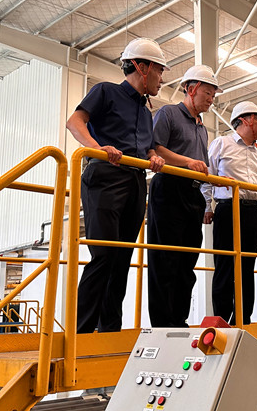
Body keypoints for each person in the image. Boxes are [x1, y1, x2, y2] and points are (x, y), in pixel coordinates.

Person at [66, 38, 167, 333]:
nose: (162, 79)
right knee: (104, 255)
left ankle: (110, 330)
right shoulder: (105, 92)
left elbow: (147, 147)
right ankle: (81, 332)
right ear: (142, 67)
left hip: (136, 181)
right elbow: (75, 122)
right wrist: (98, 148)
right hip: (105, 176)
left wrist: (153, 156)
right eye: (160, 71)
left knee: (122, 258)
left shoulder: (146, 113)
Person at [147, 64, 220, 327]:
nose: (211, 100)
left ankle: (179, 320)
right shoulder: (168, 114)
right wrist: (188, 162)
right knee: (165, 260)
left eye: (213, 95)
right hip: (168, 189)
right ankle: (162, 323)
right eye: (208, 93)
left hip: (192, 194)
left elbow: (201, 164)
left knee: (187, 261)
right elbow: (155, 149)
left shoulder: (202, 128)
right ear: (191, 89)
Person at [202, 101, 257, 325]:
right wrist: (207, 206)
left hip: (252, 213)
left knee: (247, 266)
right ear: (246, 120)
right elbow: (207, 175)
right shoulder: (221, 143)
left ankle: (243, 319)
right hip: (228, 209)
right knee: (225, 265)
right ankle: (221, 319)